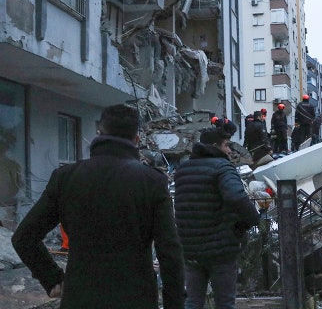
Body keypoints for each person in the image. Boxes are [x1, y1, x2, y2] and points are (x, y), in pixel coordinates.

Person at [11, 104, 185, 308]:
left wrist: (52, 278)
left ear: (99, 133)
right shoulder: (151, 181)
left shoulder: (66, 177)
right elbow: (170, 253)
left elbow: (24, 237)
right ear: (136, 140)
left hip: (80, 297)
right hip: (135, 298)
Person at [174, 127, 260, 309]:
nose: (229, 150)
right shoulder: (222, 167)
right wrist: (252, 219)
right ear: (214, 146)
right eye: (226, 145)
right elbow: (236, 197)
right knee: (225, 303)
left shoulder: (183, 170)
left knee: (192, 302)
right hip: (220, 250)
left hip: (190, 249)